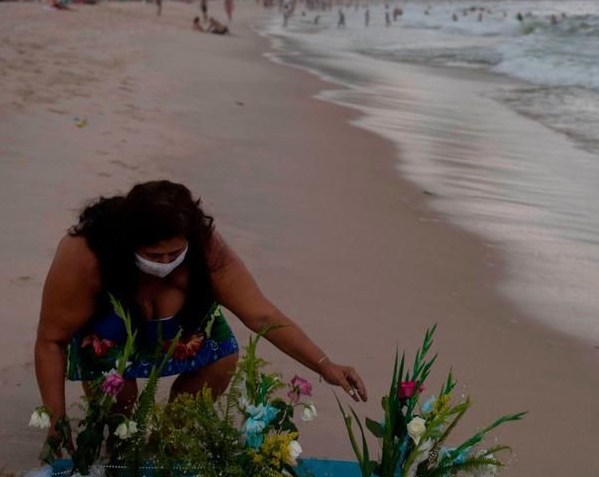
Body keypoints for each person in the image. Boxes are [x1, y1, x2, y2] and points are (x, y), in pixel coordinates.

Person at [33, 181, 368, 451]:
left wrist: (325, 365)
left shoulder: (207, 249)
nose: (164, 263)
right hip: (110, 334)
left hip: (180, 330)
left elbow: (262, 316)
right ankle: (123, 439)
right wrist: (56, 421)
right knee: (122, 422)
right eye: (153, 255)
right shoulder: (86, 254)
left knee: (222, 358)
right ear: (126, 242)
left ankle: (164, 440)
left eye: (174, 253)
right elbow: (51, 340)